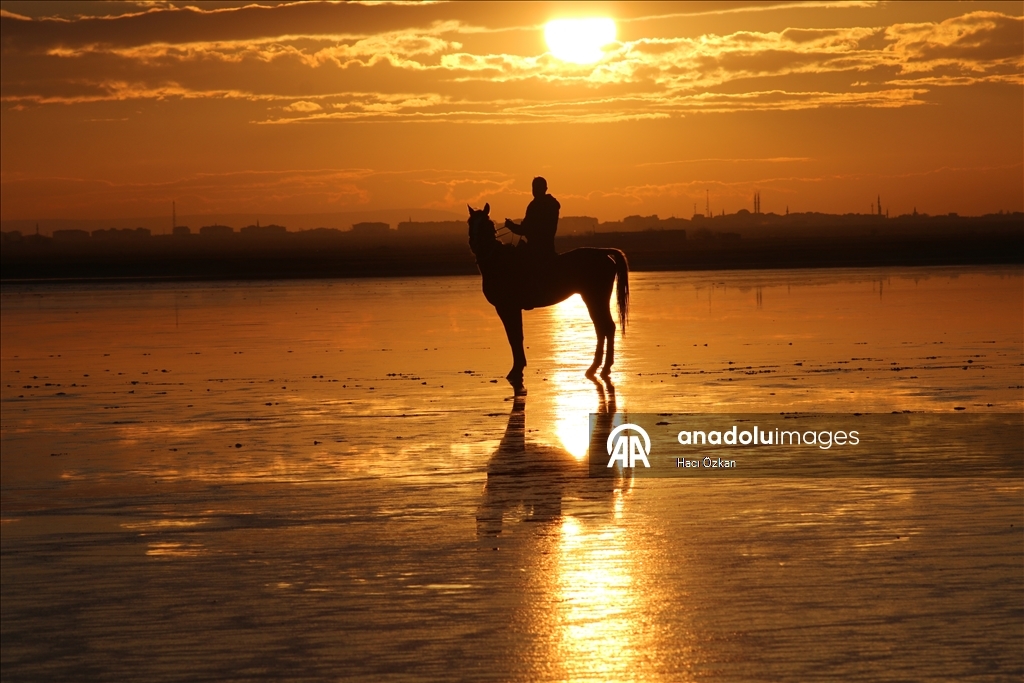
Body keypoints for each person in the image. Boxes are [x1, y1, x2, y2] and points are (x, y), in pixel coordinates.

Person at [504, 177, 560, 262]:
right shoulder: (552, 204)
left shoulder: (535, 205)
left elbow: (526, 229)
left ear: (545, 189)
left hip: (534, 250)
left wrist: (511, 226)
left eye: (537, 188)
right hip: (548, 248)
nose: (535, 190)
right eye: (534, 188)